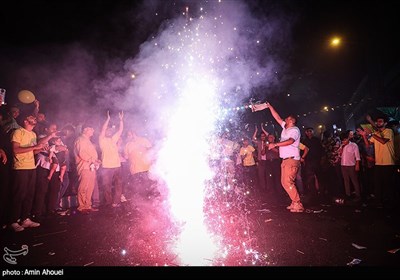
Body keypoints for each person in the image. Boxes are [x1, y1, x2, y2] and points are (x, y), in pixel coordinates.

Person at [252, 102, 304, 213]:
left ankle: (298, 203)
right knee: (285, 182)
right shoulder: (285, 127)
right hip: (285, 160)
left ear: (292, 121)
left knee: (287, 182)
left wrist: (275, 144)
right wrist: (269, 106)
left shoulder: (294, 130)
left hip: (292, 159)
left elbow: (291, 141)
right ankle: (294, 202)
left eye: (287, 118)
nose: (285, 119)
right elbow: (277, 117)